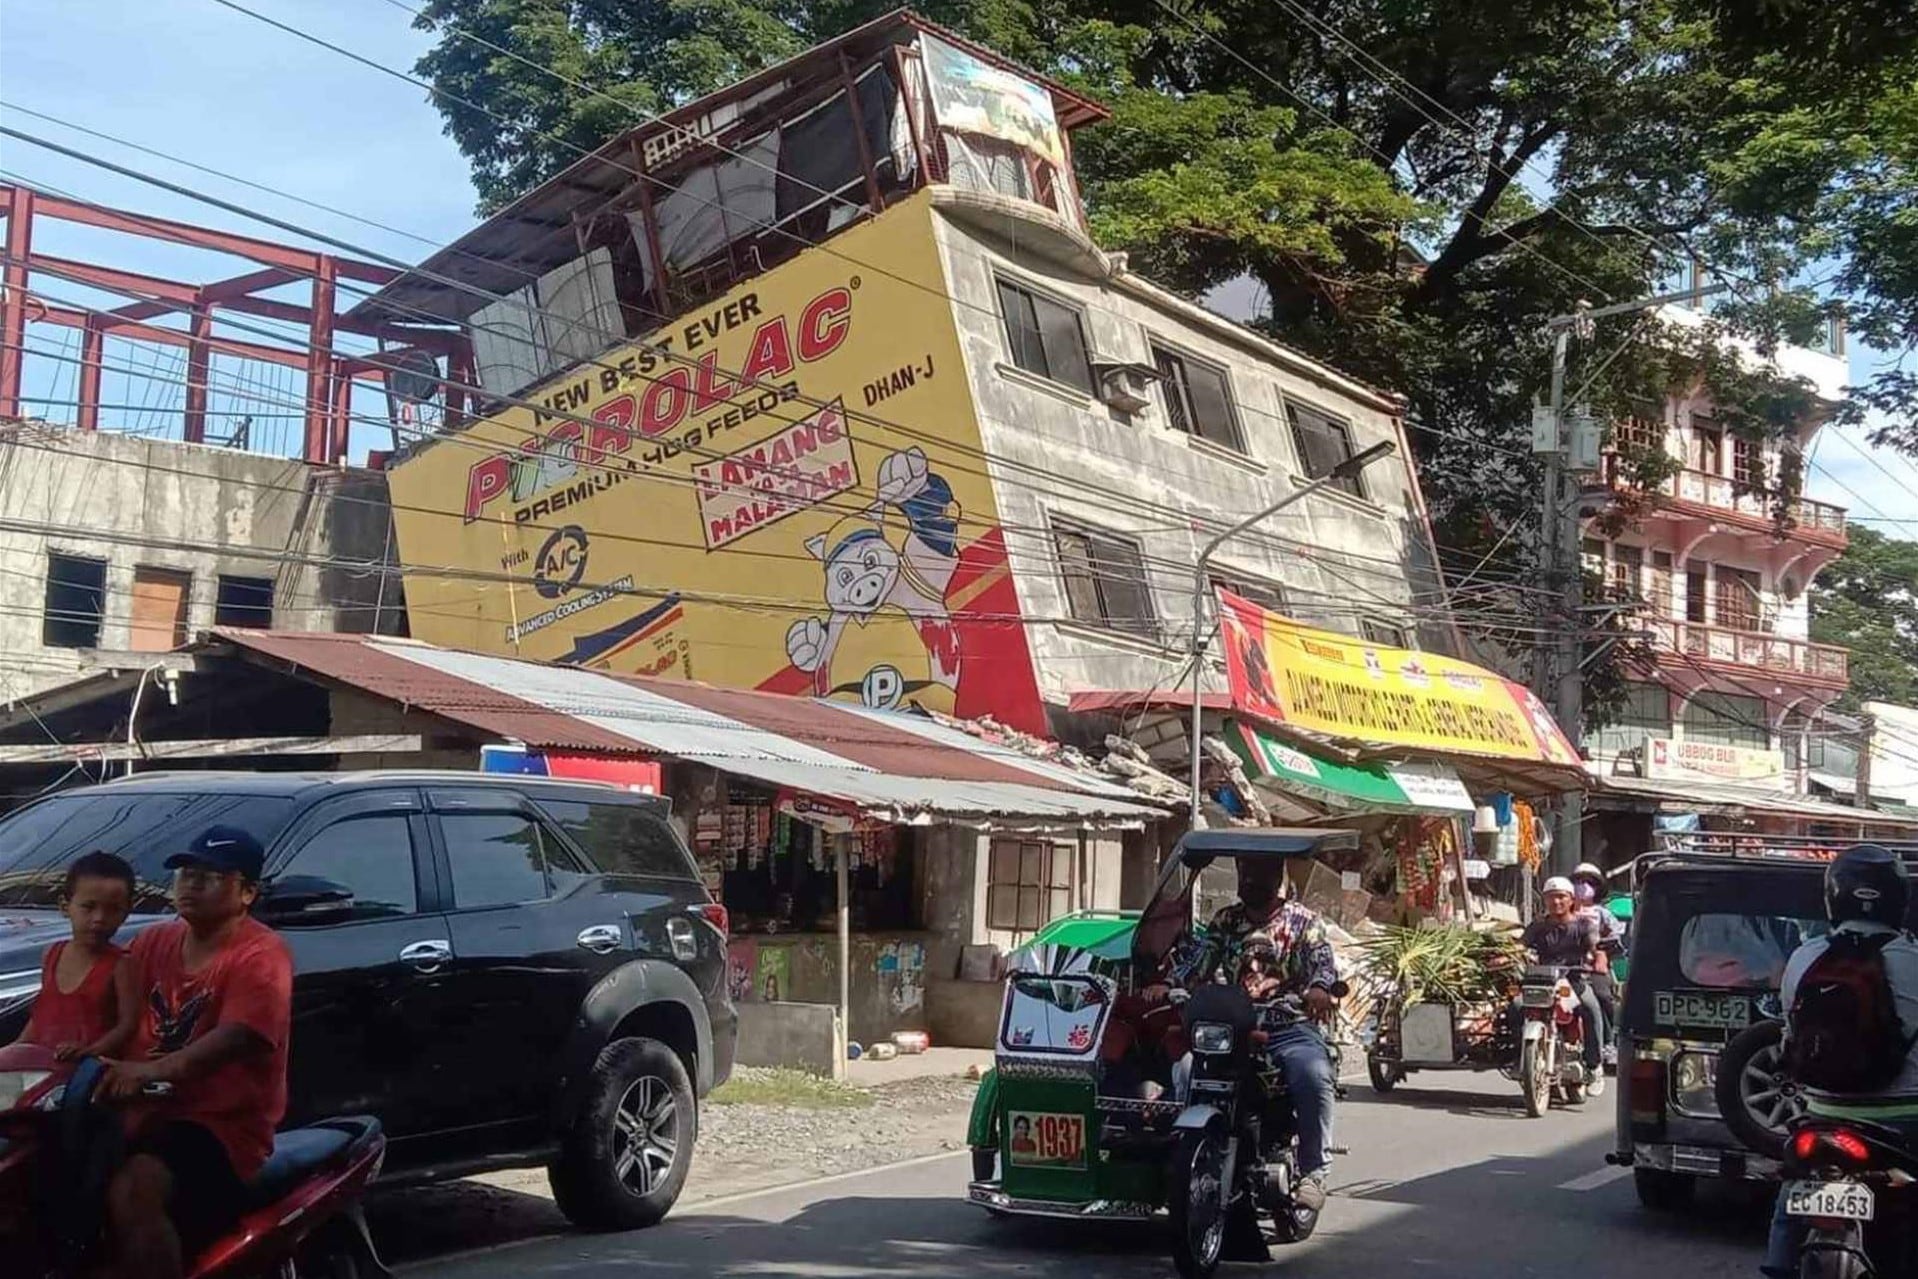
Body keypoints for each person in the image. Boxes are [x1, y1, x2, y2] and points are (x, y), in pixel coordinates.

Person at [97, 825, 293, 1279]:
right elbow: (97, 998)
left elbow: (235, 1037)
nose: (191, 884)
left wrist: (149, 1071)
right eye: (185, 873)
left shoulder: (262, 955)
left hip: (218, 1128)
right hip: (134, 1112)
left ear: (247, 892)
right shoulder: (152, 942)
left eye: (210, 876)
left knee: (134, 1189)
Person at [1761, 845, 1918, 1278]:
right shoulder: (1913, 959)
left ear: (1833, 896)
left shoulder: (1804, 958)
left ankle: (1778, 1264)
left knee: (1793, 1191)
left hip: (1825, 1116)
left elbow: (1790, 1038)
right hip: (1905, 1120)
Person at [1159, 857, 1339, 1212]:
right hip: (1233, 1026)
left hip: (1289, 1026)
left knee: (1313, 1075)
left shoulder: (1305, 922)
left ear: (1277, 878)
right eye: (1245, 874)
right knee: (1186, 1069)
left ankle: (1315, 1171)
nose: (1250, 880)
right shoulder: (1227, 920)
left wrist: (1319, 988)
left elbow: (1323, 964)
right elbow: (1200, 960)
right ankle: (1185, 1153)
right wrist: (1169, 984)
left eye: (1259, 874)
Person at [16, 852, 140, 1061]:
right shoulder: (52, 954)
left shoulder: (121, 965)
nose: (99, 919)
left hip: (89, 1072)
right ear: (65, 907)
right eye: (89, 907)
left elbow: (128, 1025)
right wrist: (17, 1049)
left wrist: (91, 1050)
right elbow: (42, 1015)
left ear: (126, 913)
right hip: (43, 1068)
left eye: (113, 909)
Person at [1518, 876, 1606, 1095]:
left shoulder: (1584, 925)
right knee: (1515, 1007)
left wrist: (1599, 959)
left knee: (1592, 1010)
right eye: (1551, 897)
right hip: (1543, 982)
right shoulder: (1538, 925)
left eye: (1561, 897)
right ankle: (1517, 1058)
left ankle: (1594, 1065)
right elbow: (1519, 946)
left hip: (1573, 982)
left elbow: (1596, 946)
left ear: (1571, 900)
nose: (1556, 902)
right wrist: (1505, 955)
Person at [1570, 862, 1623, 1069]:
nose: (1583, 886)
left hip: (1594, 967)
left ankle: (1608, 1043)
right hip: (1566, 966)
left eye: (1589, 882)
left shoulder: (1602, 913)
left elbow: (1617, 936)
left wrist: (1602, 953)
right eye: (1579, 882)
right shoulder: (1564, 910)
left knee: (1602, 997)